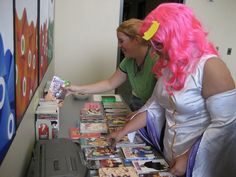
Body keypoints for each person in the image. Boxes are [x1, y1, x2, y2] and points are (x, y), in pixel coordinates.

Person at [108, 3, 236, 177]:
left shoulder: (211, 66)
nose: (155, 51)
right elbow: (155, 106)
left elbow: (226, 125)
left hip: (200, 162)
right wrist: (123, 131)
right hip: (171, 156)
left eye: (159, 45)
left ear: (178, 36)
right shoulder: (169, 65)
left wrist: (187, 157)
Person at [65, 18, 159, 111]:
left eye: (121, 41)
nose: (119, 45)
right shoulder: (128, 61)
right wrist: (76, 88)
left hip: (154, 112)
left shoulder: (156, 60)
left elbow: (158, 104)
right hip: (138, 105)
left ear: (136, 40)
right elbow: (109, 84)